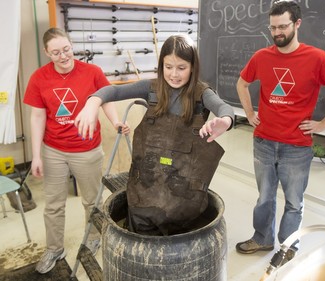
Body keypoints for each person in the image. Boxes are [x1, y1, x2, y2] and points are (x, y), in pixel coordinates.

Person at [235, 0, 325, 260]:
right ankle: (263, 239)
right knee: (264, 198)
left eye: (283, 26)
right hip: (264, 143)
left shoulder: (317, 58)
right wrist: (248, 113)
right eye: (272, 28)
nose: (277, 32)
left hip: (297, 146)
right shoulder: (262, 57)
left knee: (294, 203)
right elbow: (241, 84)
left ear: (297, 24)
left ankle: (288, 245)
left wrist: (323, 124)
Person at [75, 34, 234, 236]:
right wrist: (93, 102)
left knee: (179, 241)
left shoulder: (201, 94)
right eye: (168, 67)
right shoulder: (151, 89)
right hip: (146, 186)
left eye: (181, 68)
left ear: (193, 67)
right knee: (141, 236)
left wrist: (225, 120)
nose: (174, 74)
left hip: (184, 194)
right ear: (161, 65)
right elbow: (112, 92)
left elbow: (223, 107)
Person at [23, 27, 129, 274]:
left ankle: (93, 237)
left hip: (87, 149)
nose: (63, 56)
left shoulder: (92, 72)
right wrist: (36, 154)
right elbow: (37, 117)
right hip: (53, 150)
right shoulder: (39, 78)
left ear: (72, 46)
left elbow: (107, 99)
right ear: (47, 53)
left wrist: (115, 122)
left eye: (67, 49)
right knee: (53, 204)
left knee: (92, 200)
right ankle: (54, 248)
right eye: (56, 52)